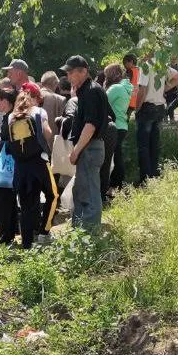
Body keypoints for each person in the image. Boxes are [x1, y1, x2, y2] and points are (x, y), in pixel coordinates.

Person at [63, 55, 108, 231]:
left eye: (71, 72)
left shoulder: (91, 91)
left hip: (90, 148)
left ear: (83, 72)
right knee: (81, 190)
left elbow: (90, 126)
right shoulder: (87, 91)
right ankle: (81, 231)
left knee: (89, 192)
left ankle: (90, 234)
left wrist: (76, 151)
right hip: (89, 148)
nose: (68, 77)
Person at [8, 88, 55, 249]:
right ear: (32, 99)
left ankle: (27, 243)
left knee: (26, 205)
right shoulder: (39, 112)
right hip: (39, 163)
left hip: (20, 167)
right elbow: (48, 133)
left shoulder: (11, 117)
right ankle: (44, 232)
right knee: (53, 195)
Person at [136, 60, 178, 184]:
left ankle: (145, 179)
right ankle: (154, 174)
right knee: (154, 143)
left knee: (144, 145)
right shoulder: (161, 64)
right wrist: (164, 89)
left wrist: (137, 108)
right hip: (159, 107)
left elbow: (142, 90)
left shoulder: (145, 66)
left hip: (147, 107)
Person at [0, 89, 19, 245]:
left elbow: (12, 142)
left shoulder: (11, 118)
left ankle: (5, 235)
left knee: (2, 200)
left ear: (5, 101)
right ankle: (9, 232)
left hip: (9, 166)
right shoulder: (9, 116)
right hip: (11, 165)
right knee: (8, 199)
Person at [104, 63, 133, 189]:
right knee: (117, 155)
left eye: (106, 75)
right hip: (122, 125)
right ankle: (117, 184)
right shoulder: (125, 87)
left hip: (115, 125)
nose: (105, 78)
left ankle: (115, 185)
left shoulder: (115, 88)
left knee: (114, 157)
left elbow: (102, 101)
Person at [40, 71, 66, 136]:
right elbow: (64, 124)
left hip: (33, 140)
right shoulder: (60, 99)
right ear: (55, 83)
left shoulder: (31, 96)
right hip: (53, 139)